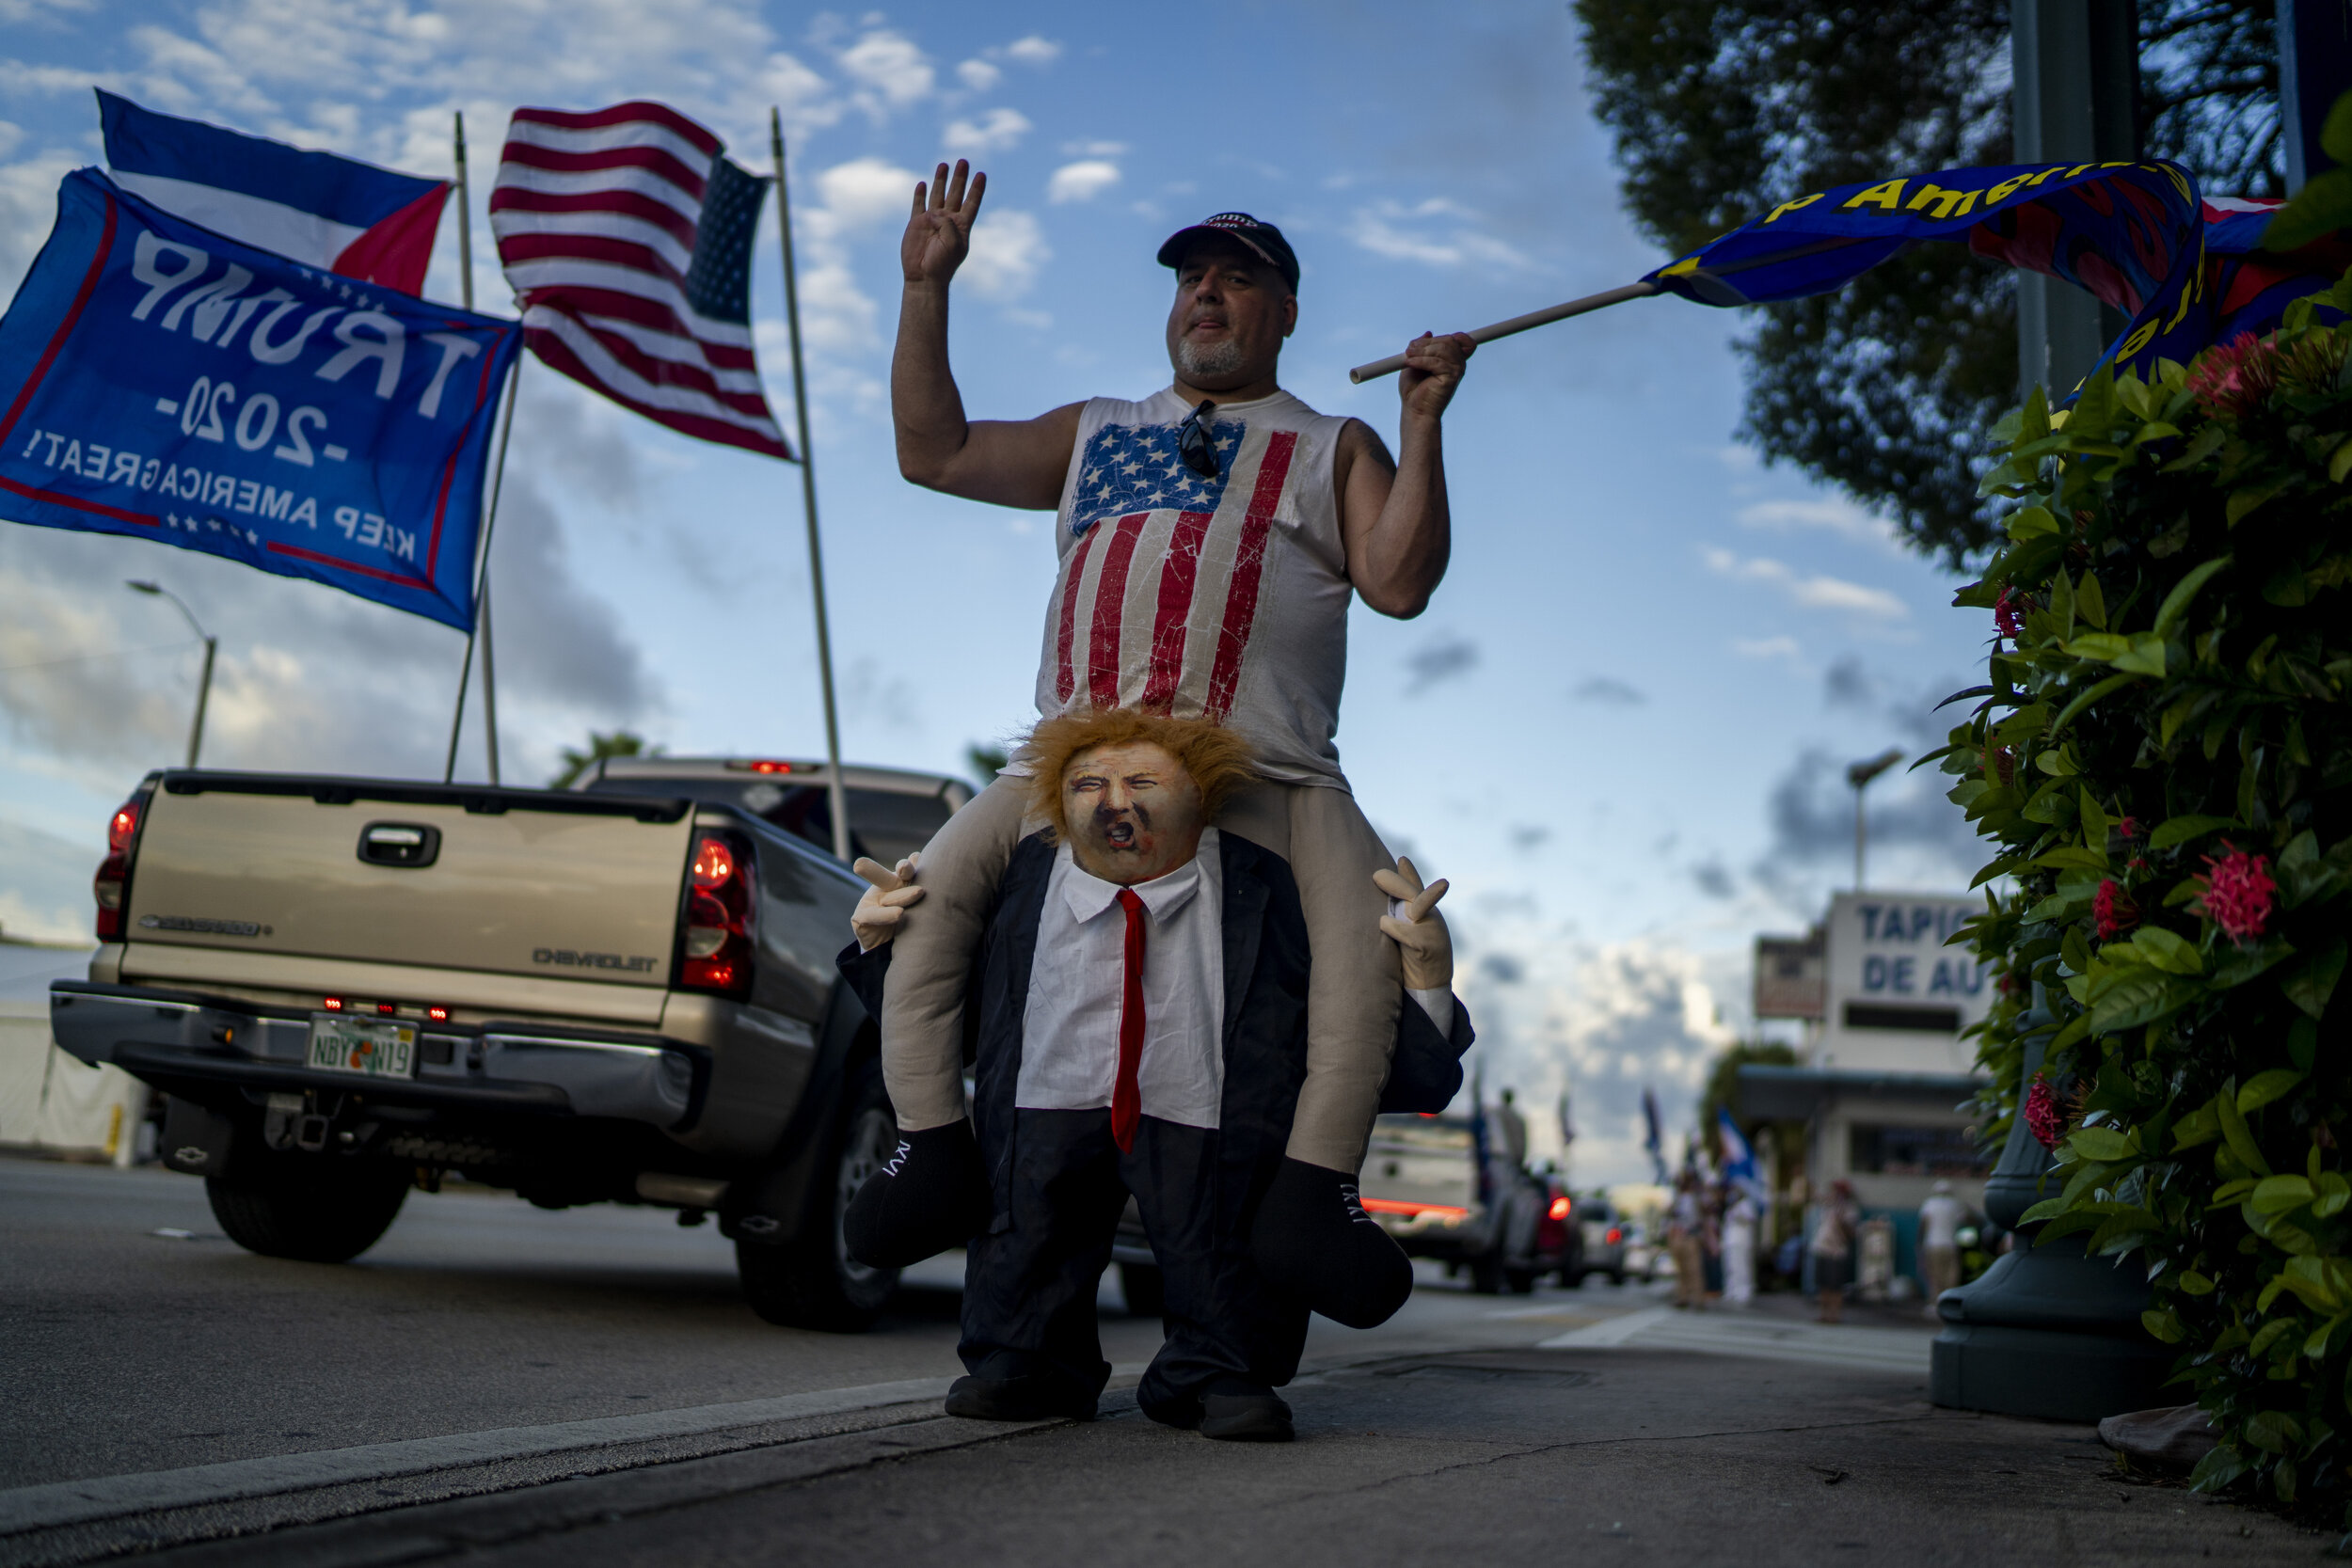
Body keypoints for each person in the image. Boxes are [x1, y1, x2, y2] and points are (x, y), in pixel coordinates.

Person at [878, 162, 1478, 1264]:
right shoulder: (1097, 427)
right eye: (1192, 277)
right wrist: (928, 287)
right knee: (920, 912)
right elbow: (935, 453)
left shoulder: (1329, 440)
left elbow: (1397, 583)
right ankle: (928, 1148)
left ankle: (1317, 1195)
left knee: (1365, 960)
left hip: (1273, 776)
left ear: (1284, 313)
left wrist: (1421, 419)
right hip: (1067, 766)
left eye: (1237, 280)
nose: (1207, 293)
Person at [835, 709, 1474, 1442]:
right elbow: (951, 1012)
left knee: (1222, 1234)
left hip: (1205, 1108)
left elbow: (1355, 1027)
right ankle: (1025, 1358)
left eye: (1143, 779)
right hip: (1046, 1096)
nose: (1115, 801)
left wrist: (1425, 977)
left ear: (1201, 793)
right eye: (1088, 783)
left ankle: (1218, 1369)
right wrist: (884, 947)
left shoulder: (1261, 892)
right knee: (1028, 1223)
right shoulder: (1025, 891)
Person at [1811, 1178, 1861, 1324]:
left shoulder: (1849, 1209)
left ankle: (1835, 1315)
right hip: (1822, 1248)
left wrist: (1841, 1221)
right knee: (1823, 1284)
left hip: (1837, 1251)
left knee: (1835, 1286)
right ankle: (1824, 1313)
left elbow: (1851, 1235)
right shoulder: (1828, 1207)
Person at [1917, 1178, 1967, 1320]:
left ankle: (1935, 1304)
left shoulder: (1929, 1204)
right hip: (1951, 1244)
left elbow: (1923, 1225)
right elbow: (1967, 1219)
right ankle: (1948, 1303)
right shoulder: (1955, 1205)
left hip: (1932, 1244)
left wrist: (1919, 1244)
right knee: (1951, 1275)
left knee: (1934, 1275)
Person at [1666, 1170, 1707, 1310]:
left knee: (1694, 1269)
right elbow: (1671, 1214)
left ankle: (1698, 1299)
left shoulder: (1697, 1198)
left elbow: (1702, 1216)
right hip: (1678, 1236)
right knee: (1681, 1269)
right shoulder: (1678, 1199)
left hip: (1691, 1236)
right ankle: (1682, 1297)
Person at [1720, 1181, 1758, 1308]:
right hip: (1730, 1241)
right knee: (1731, 1267)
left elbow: (1750, 1219)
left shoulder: (1745, 1205)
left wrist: (1739, 1215)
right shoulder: (1731, 1207)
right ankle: (1732, 1290)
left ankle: (1744, 1291)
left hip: (1741, 1241)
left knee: (1741, 1267)